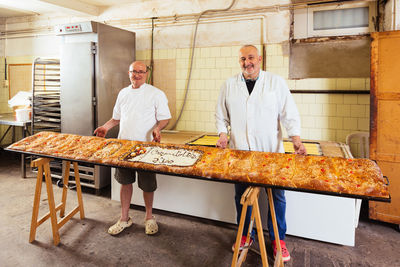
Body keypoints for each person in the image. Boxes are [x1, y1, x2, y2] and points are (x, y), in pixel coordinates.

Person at [215, 45, 306, 262]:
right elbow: (221, 114)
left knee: (276, 197)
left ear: (260, 59)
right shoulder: (229, 85)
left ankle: (278, 240)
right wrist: (222, 135)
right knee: (242, 197)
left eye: (251, 58)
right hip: (240, 154)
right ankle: (246, 235)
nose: (247, 62)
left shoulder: (275, 82)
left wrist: (296, 139)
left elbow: (289, 113)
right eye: (243, 59)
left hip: (271, 153)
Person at [94, 61, 171, 236]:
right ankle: (124, 218)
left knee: (148, 185)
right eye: (133, 71)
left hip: (146, 148)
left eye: (140, 72)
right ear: (128, 73)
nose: (137, 75)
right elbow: (117, 118)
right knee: (125, 182)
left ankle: (149, 218)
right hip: (124, 146)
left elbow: (165, 118)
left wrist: (157, 129)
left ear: (146, 73)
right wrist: (106, 127)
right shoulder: (123, 93)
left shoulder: (155, 94)